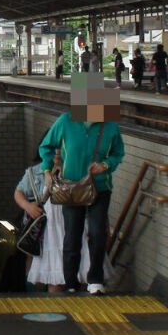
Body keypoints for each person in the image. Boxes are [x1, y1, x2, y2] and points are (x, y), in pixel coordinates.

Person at [38, 73, 125, 295]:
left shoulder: (109, 125)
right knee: (72, 235)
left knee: (97, 233)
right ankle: (70, 283)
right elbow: (46, 146)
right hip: (70, 189)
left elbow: (118, 153)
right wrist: (47, 170)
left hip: (100, 187)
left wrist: (105, 166)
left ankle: (95, 279)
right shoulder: (66, 121)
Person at [13, 159, 115, 292]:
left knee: (83, 275)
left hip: (79, 227)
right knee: (55, 281)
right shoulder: (37, 172)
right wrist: (28, 206)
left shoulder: (80, 168)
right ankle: (58, 310)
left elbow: (94, 197)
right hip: (52, 233)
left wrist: (103, 224)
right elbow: (18, 192)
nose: (58, 154)